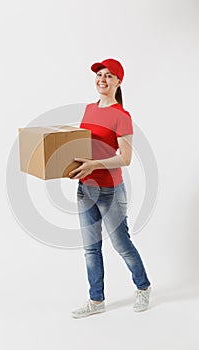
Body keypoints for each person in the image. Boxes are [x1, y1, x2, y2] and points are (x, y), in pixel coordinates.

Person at [69, 58, 151, 319]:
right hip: (85, 188)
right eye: (99, 75)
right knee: (91, 248)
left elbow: (125, 158)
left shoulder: (122, 116)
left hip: (110, 191)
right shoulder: (89, 109)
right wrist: (72, 165)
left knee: (121, 244)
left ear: (118, 81)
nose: (102, 79)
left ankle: (143, 286)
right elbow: (85, 147)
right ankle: (96, 300)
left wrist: (95, 164)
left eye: (108, 76)